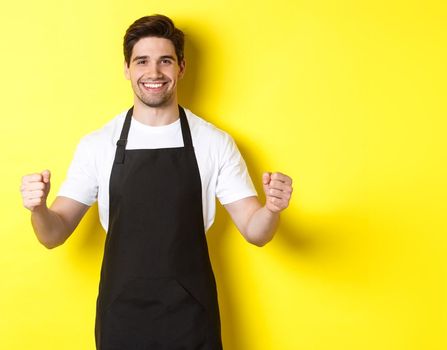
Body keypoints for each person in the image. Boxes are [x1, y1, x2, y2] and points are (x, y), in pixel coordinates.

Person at [19, 14, 293, 349]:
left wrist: (273, 209)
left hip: (192, 317)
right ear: (127, 69)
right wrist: (39, 209)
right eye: (142, 61)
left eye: (165, 60)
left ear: (181, 67)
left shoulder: (214, 142)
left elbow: (256, 231)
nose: (154, 73)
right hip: (121, 317)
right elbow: (53, 234)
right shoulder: (98, 144)